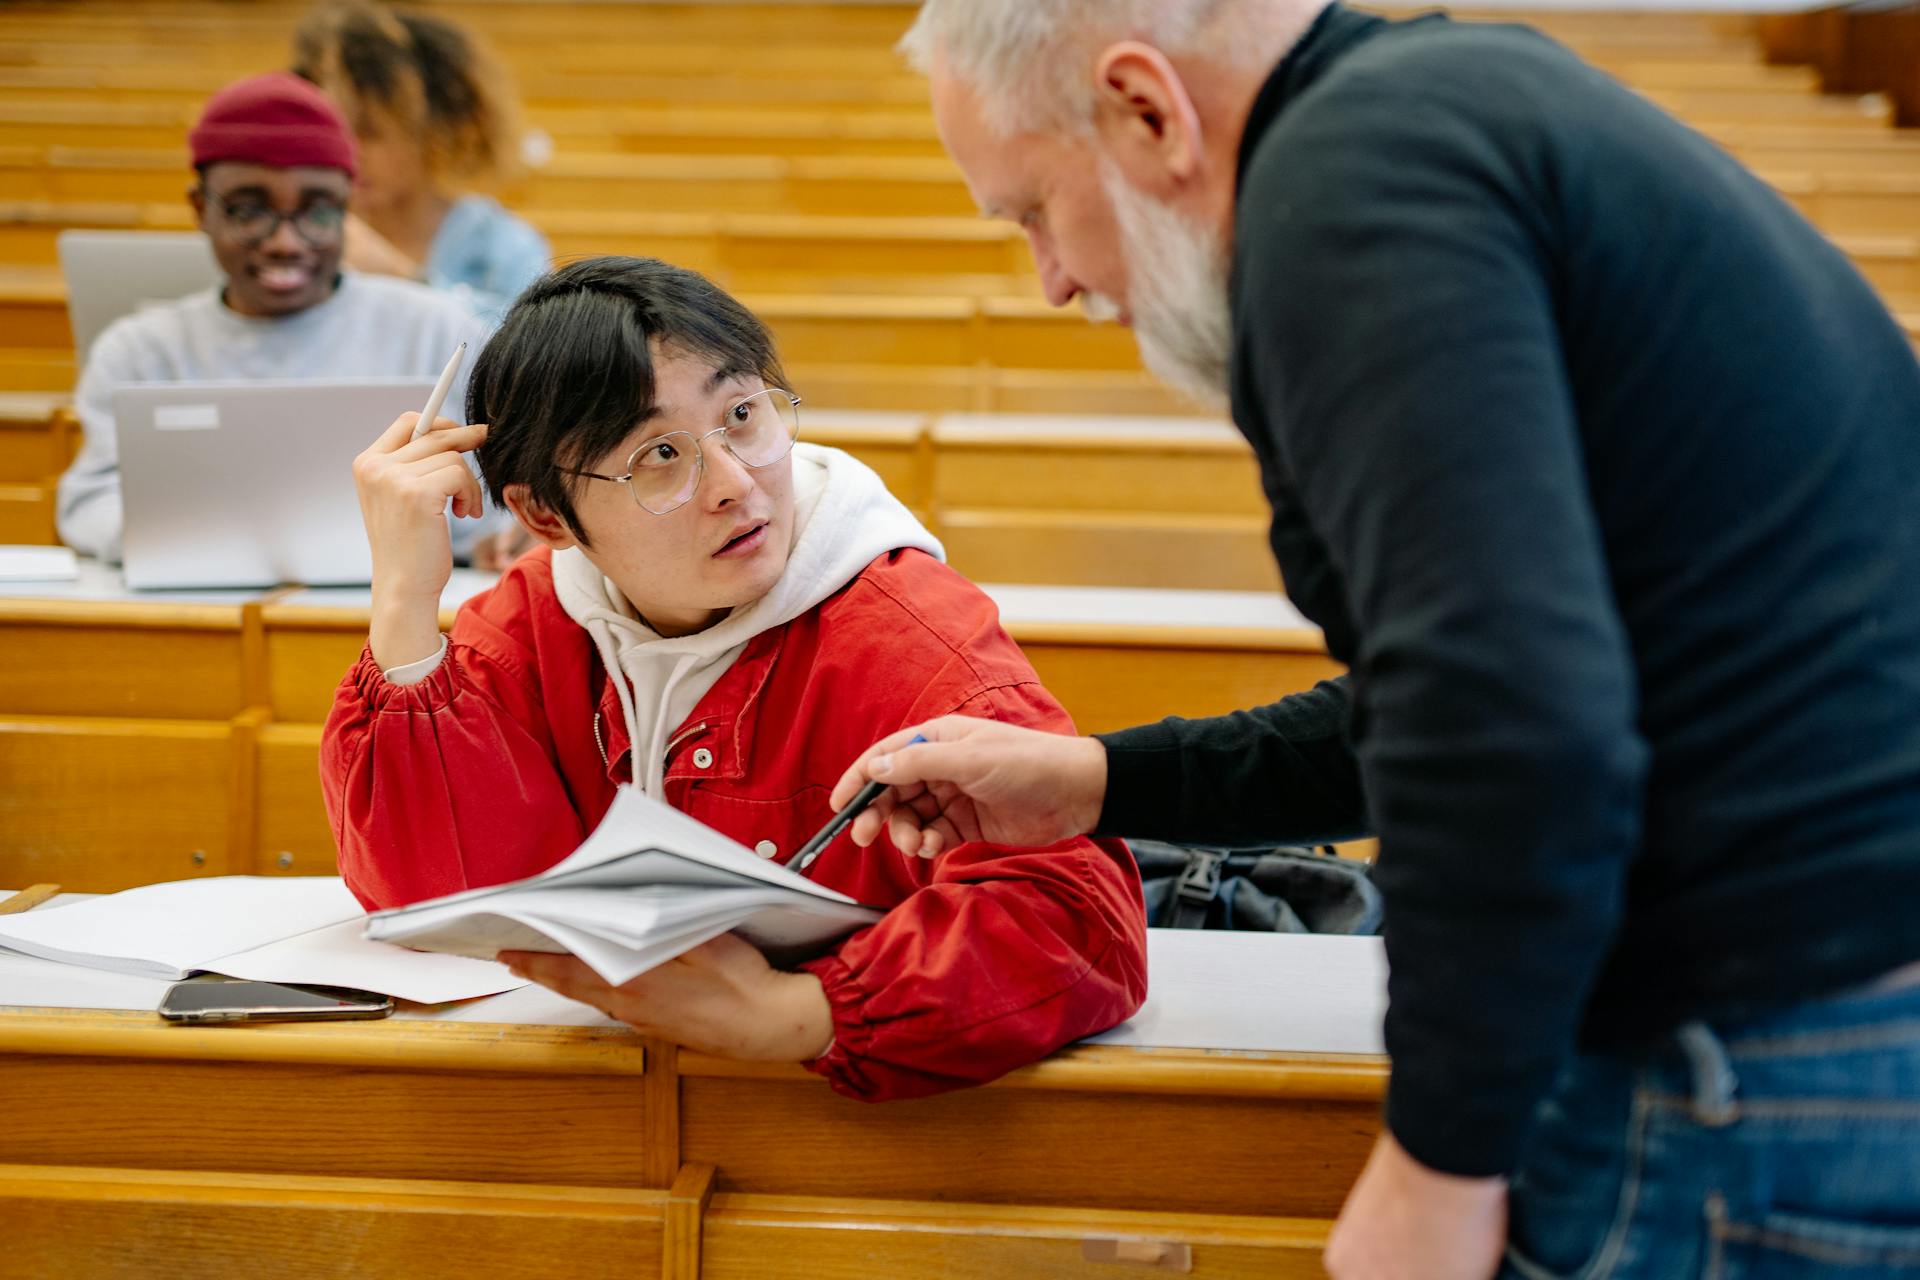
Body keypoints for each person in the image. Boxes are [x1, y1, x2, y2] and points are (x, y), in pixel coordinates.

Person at [832, 1, 1920, 1273]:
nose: (1055, 278)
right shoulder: (1436, 113)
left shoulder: (1344, 200)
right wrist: (1102, 783)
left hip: (1758, 1043)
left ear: (1147, 110)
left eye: (1032, 210)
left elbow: (1503, 722)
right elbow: (1467, 691)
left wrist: (1437, 1158)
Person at [320, 256, 1148, 1099]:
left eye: (744, 415)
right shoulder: (538, 618)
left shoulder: (905, 635)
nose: (736, 483)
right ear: (544, 515)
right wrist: (403, 604)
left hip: (855, 1127)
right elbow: (436, 898)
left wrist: (799, 1014)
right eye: (660, 456)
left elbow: (1078, 921)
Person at [55, 71, 500, 565]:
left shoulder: (438, 329)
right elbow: (90, 504)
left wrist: (479, 536)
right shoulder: (139, 351)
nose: (286, 242)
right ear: (201, 209)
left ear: (347, 209)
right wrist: (215, 548)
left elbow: (494, 501)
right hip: (204, 608)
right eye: (250, 211)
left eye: (319, 213)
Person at [292, 1, 551, 320]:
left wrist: (406, 280)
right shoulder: (298, 229)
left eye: (369, 131)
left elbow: (529, 351)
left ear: (432, 132)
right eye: (334, 127)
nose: (348, 150)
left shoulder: (501, 245)